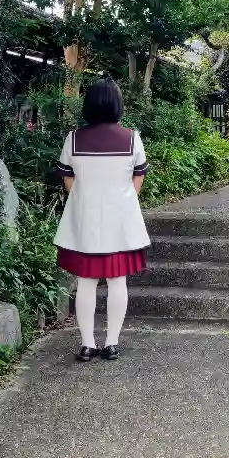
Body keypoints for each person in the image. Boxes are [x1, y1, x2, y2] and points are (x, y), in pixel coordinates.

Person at [53, 79, 150, 362]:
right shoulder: (131, 138)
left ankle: (87, 344)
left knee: (86, 281)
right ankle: (112, 343)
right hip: (120, 222)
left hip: (85, 221)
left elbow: (67, 178)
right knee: (117, 281)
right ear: (118, 105)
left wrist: (84, 199)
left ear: (89, 105)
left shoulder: (74, 139)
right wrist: (123, 200)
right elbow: (139, 175)